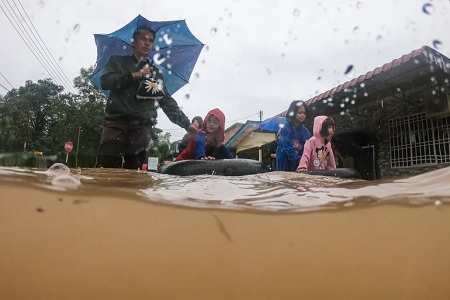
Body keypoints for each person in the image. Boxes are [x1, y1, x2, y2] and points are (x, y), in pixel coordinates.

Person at [97, 26, 191, 169]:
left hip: (141, 126)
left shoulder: (155, 73)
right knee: (106, 164)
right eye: (143, 39)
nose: (147, 43)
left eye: (151, 41)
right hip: (116, 122)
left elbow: (166, 101)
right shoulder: (117, 61)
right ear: (133, 41)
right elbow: (105, 81)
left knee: (134, 170)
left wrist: (187, 125)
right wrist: (137, 75)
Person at [276, 100, 311, 171]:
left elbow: (307, 148)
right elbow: (286, 147)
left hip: (299, 162)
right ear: (293, 112)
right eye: (300, 112)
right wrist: (298, 158)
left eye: (304, 113)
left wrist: (304, 159)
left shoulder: (305, 131)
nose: (302, 115)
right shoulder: (285, 128)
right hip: (284, 161)